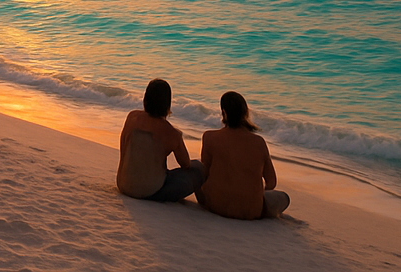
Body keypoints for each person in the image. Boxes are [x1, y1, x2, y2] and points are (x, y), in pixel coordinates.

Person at [197, 91, 290, 219]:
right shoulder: (259, 142)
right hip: (251, 211)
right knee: (284, 197)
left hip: (215, 205)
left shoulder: (209, 137)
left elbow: (204, 174)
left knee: (195, 167)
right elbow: (271, 182)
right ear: (245, 113)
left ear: (224, 113)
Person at [116, 78, 204, 201]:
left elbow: (124, 148)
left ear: (145, 99)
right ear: (167, 104)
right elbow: (185, 164)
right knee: (199, 168)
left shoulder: (132, 117)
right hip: (151, 191)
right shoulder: (172, 133)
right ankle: (203, 202)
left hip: (123, 184)